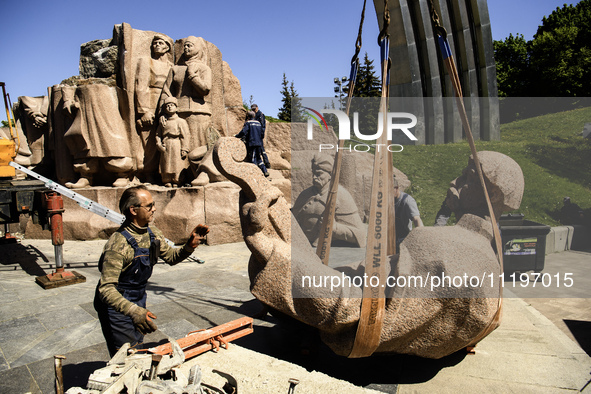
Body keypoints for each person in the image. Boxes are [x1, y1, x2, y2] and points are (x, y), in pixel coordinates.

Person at [94, 185, 209, 356]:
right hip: (116, 306)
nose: (154, 209)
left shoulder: (153, 234)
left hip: (138, 298)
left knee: (137, 346)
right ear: (133, 210)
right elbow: (106, 289)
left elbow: (171, 257)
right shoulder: (117, 245)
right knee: (125, 355)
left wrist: (189, 246)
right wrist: (133, 311)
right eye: (149, 206)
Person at [291, 153, 366, 248]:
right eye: (313, 173)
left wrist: (335, 229)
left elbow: (360, 235)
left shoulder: (342, 196)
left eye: (319, 174)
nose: (314, 177)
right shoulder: (305, 195)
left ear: (330, 174)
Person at [156, 97, 189, 187]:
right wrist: (159, 144)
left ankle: (177, 180)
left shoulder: (181, 121)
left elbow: (185, 136)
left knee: (177, 163)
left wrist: (185, 149)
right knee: (166, 163)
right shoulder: (163, 122)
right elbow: (158, 134)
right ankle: (167, 179)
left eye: (172, 105)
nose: (170, 107)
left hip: (176, 143)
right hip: (166, 144)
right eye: (167, 106)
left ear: (176, 107)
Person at [235, 111, 268, 177]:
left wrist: (237, 136)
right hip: (259, 143)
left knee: (253, 158)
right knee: (259, 158)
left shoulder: (248, 123)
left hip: (252, 143)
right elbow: (262, 133)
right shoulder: (258, 123)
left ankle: (256, 174)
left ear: (248, 116)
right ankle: (265, 171)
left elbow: (244, 132)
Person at [393, 176, 423, 249]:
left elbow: (416, 219)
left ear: (396, 188)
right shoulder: (385, 199)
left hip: (402, 238)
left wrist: (421, 237)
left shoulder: (407, 201)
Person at [251, 104, 270, 168]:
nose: (254, 110)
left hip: (258, 135)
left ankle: (266, 163)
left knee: (261, 149)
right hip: (255, 134)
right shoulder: (253, 115)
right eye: (252, 109)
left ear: (257, 108)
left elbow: (262, 126)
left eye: (254, 109)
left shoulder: (260, 114)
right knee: (260, 149)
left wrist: (261, 134)